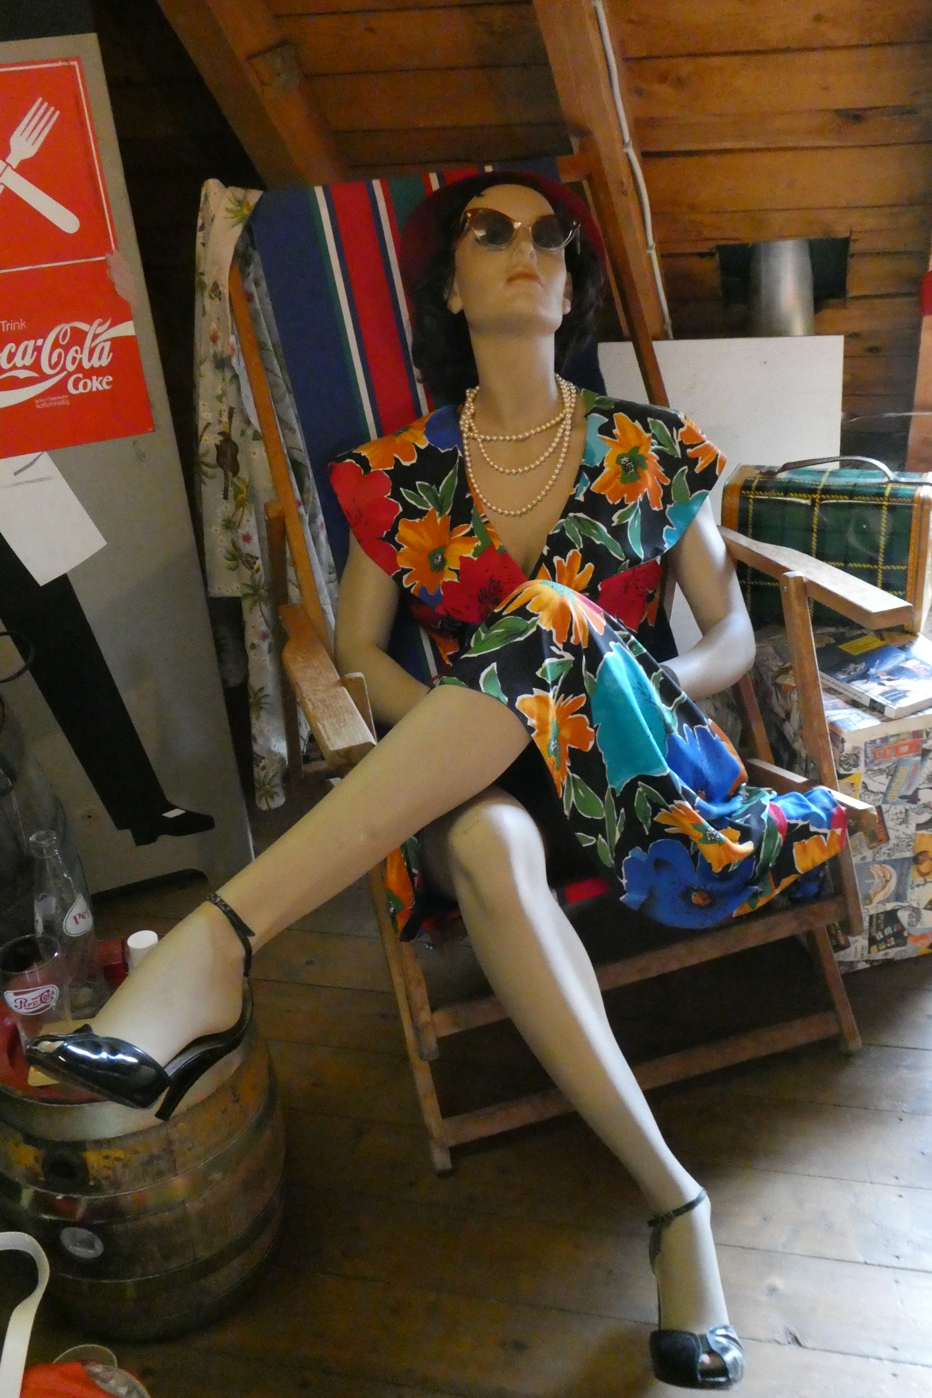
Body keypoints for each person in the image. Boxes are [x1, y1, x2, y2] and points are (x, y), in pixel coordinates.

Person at [27, 172, 850, 1390]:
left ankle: (215, 946)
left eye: (551, 237)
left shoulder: (652, 447)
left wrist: (620, 687)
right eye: (492, 230)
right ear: (451, 288)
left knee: (550, 619)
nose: (529, 249)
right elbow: (355, 653)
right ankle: (678, 1205)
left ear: (569, 287)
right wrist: (499, 728)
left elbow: (729, 632)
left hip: (648, 776)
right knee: (481, 844)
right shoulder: (399, 472)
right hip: (487, 785)